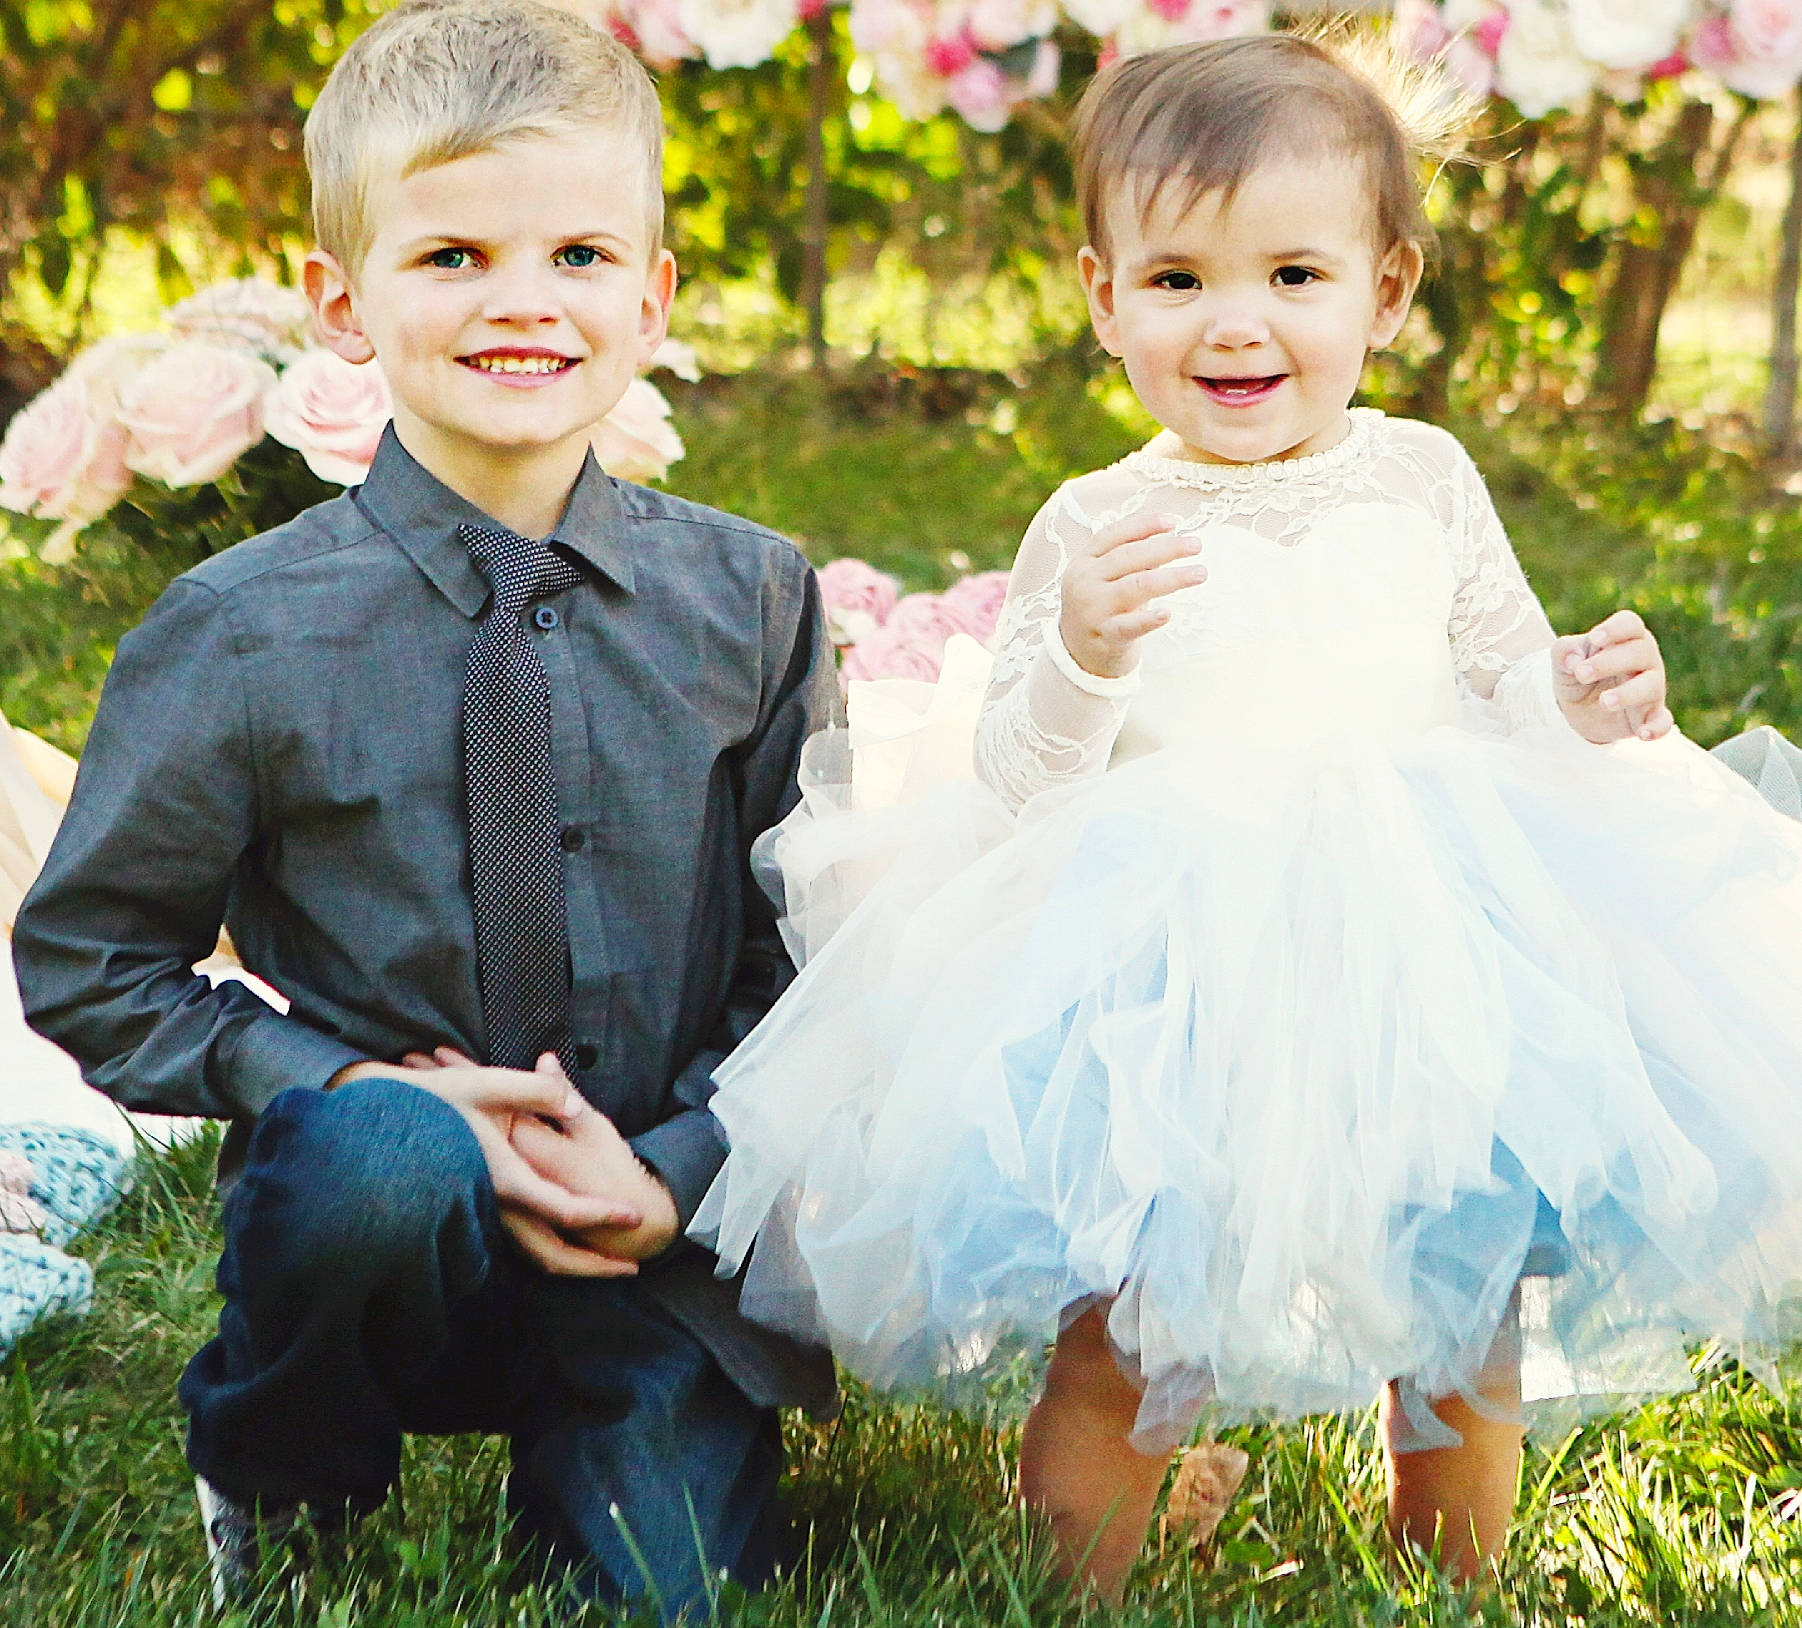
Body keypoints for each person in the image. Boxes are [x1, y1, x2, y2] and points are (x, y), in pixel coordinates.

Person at [689, 31, 1802, 1604]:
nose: (1236, 324)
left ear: (1386, 294)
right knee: (1129, 1307)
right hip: (1169, 979)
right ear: (1101, 295)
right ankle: (1077, 1575)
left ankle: (1444, 1575)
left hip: (1427, 955)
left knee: (1462, 1291)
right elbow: (1020, 785)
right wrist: (1081, 652)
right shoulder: (1093, 520)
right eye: (1178, 279)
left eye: (1293, 275)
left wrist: (1587, 699)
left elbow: (1504, 687)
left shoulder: (1423, 481)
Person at [12, 0, 838, 1613]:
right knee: (383, 1161)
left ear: (654, 296)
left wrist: (678, 1163)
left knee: (667, 1597)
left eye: (581, 258)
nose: (520, 301)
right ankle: (284, 1458)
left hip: (648, 1240)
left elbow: (800, 957)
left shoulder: (749, 599)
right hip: (379, 1221)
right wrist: (361, 1090)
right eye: (451, 254)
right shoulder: (238, 631)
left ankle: (620, 1437)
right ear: (341, 302)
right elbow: (93, 963)